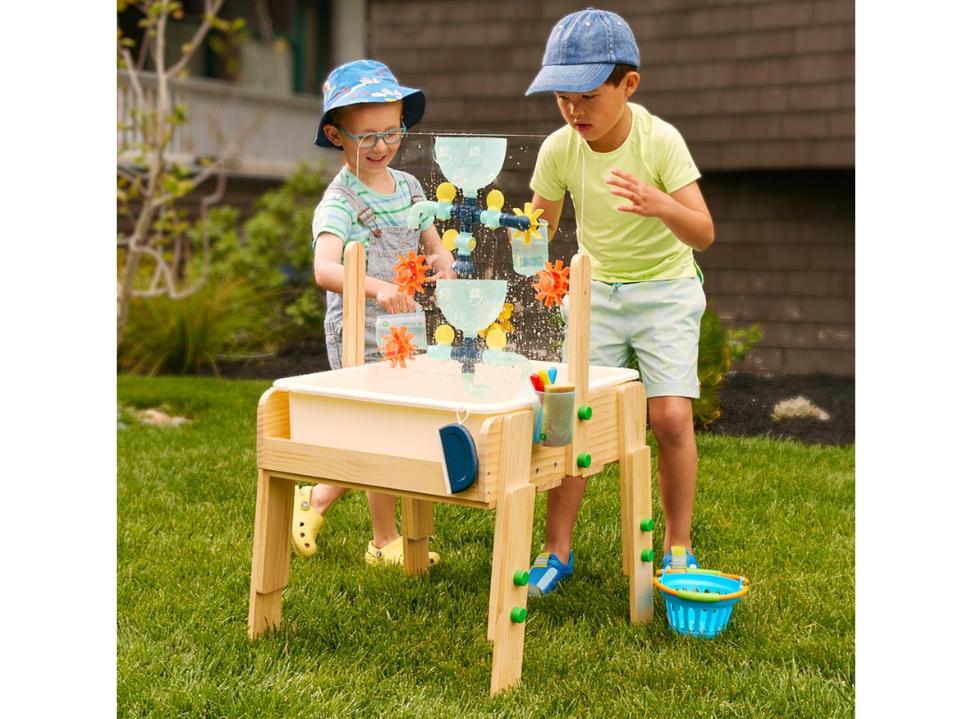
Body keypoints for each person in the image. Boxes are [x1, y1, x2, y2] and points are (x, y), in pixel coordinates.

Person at [523, 8, 715, 596]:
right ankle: (557, 550)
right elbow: (540, 228)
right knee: (567, 421)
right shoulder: (560, 149)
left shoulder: (660, 141)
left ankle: (677, 546)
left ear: (628, 84)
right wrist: (527, 245)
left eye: (586, 95)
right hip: (595, 296)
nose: (573, 110)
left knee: (670, 417)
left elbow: (703, 231)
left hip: (665, 290)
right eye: (562, 96)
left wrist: (662, 204)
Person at [292, 59, 455, 566]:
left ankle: (317, 497)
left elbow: (431, 244)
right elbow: (324, 268)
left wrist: (442, 261)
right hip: (360, 330)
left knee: (399, 428)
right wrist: (378, 287)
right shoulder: (338, 201)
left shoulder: (408, 187)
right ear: (336, 136)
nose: (382, 146)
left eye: (392, 131)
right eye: (367, 137)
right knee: (380, 432)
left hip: (406, 327)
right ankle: (383, 540)